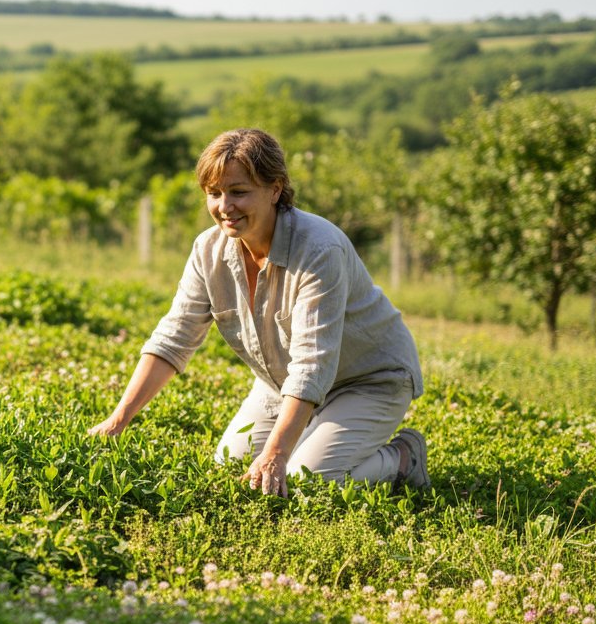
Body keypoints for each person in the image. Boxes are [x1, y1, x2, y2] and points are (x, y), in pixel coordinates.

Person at [90, 128, 428, 496]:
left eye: (239, 192)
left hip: (367, 381)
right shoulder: (208, 251)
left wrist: (277, 454)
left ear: (275, 189)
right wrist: (117, 421)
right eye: (214, 193)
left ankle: (402, 458)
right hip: (281, 384)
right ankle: (314, 434)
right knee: (229, 465)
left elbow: (314, 363)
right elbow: (175, 337)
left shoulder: (319, 250)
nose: (224, 207)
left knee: (302, 481)